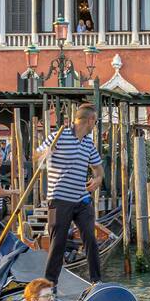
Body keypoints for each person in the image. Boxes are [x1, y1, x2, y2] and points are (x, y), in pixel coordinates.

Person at [36, 104, 105, 285]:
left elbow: (98, 169)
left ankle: (96, 282)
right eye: (95, 121)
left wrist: (97, 180)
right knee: (58, 242)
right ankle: (50, 283)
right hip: (59, 198)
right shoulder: (57, 136)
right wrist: (45, 152)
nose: (95, 125)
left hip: (81, 199)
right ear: (90, 120)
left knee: (90, 237)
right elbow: (35, 157)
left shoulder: (88, 143)